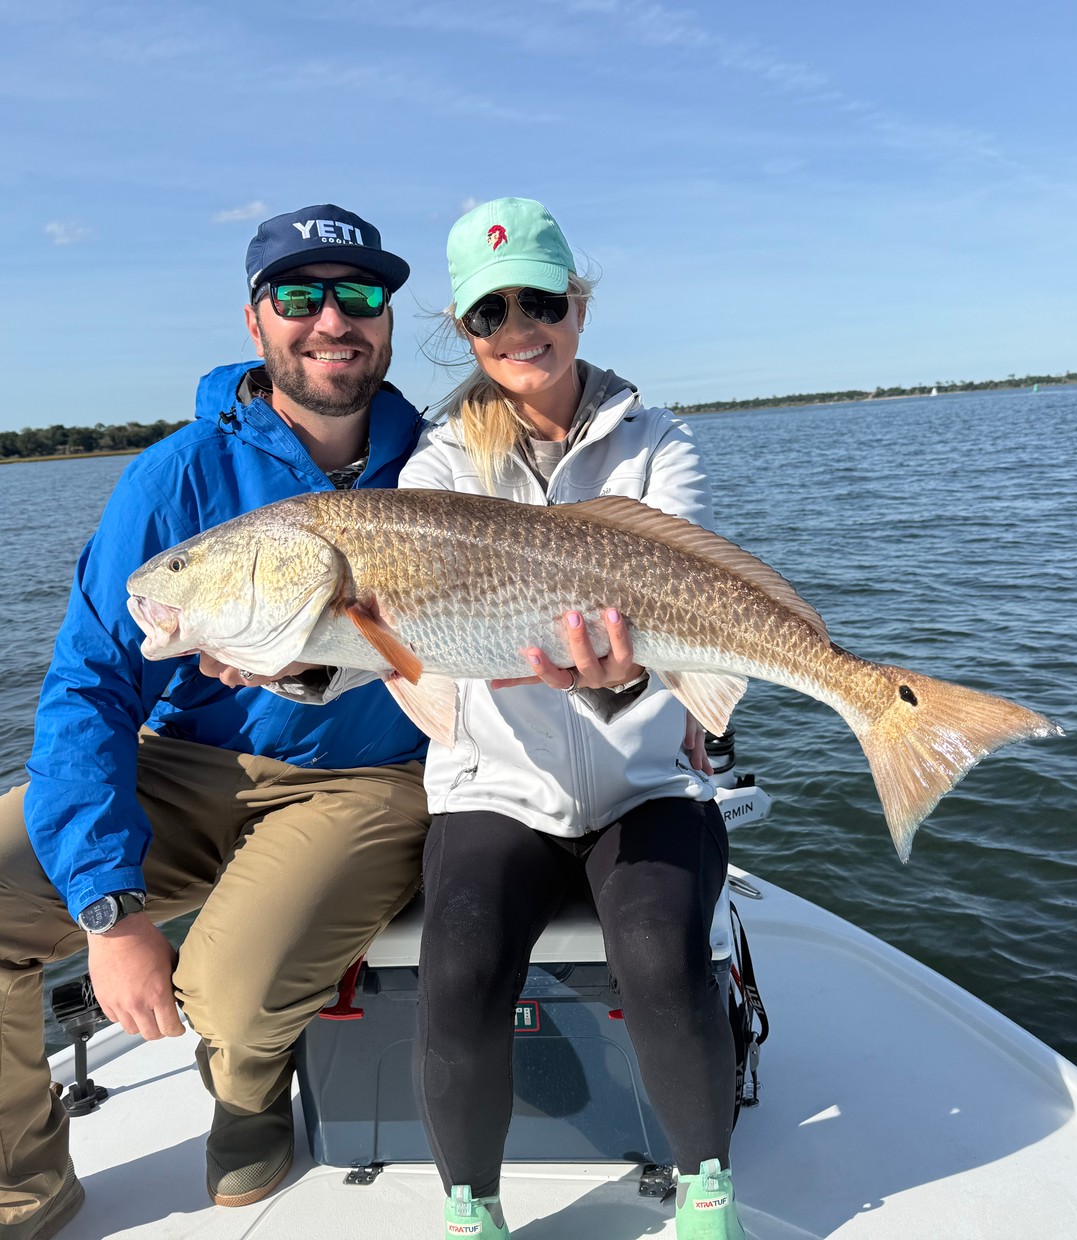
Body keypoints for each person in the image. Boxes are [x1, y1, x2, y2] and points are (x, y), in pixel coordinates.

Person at [0, 205, 431, 1238]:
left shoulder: (444, 464)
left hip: (367, 781)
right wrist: (107, 904)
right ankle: (22, 1185)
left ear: (386, 319)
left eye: (360, 294)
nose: (333, 319)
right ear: (255, 323)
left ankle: (247, 1095)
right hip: (187, 762)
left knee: (229, 993)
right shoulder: (175, 476)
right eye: (299, 294)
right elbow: (91, 687)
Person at [400, 198, 746, 1240]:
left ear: (577, 305)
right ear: (465, 332)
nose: (516, 327)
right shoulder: (439, 463)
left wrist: (630, 685)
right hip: (495, 787)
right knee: (454, 964)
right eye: (487, 313)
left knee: (658, 947)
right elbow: (411, 642)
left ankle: (707, 1192)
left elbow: (690, 597)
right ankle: (472, 1208)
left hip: (642, 781)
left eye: (537, 299)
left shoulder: (658, 440)